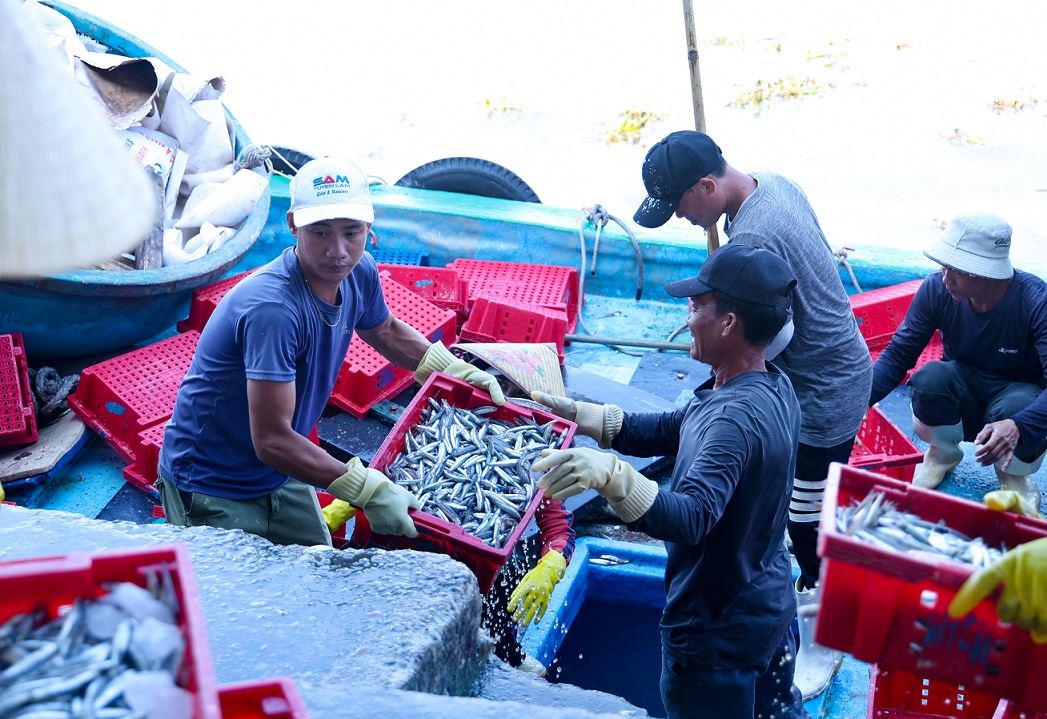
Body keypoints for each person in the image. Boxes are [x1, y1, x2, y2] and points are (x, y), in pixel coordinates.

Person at [157, 156, 505, 546]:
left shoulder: (360, 272)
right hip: (211, 481)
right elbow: (271, 440)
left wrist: (452, 369)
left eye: (351, 232)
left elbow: (385, 329)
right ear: (292, 225)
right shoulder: (273, 310)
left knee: (315, 581)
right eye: (320, 232)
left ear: (369, 229)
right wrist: (367, 490)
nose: (337, 251)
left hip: (279, 470)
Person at [633, 130, 872, 696]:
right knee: (793, 508)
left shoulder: (757, 233)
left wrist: (712, 331)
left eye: (682, 207)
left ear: (708, 185)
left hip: (824, 387)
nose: (684, 220)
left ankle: (822, 632)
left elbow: (771, 338)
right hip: (835, 364)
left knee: (804, 519)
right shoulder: (774, 185)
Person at [532, 244, 808, 719]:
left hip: (716, 634)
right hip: (769, 606)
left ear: (729, 323)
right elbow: (677, 426)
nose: (688, 312)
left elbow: (692, 517)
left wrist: (612, 476)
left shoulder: (734, 420)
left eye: (699, 305)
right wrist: (582, 414)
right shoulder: (771, 384)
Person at [869, 214, 1047, 512]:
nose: (945, 278)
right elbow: (900, 353)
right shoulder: (937, 290)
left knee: (1017, 409)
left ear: (988, 274)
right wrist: (857, 402)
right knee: (928, 380)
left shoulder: (1036, 302)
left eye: (958, 271)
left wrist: (1019, 425)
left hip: (1016, 395)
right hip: (961, 385)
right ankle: (941, 454)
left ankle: (1013, 475)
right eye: (945, 266)